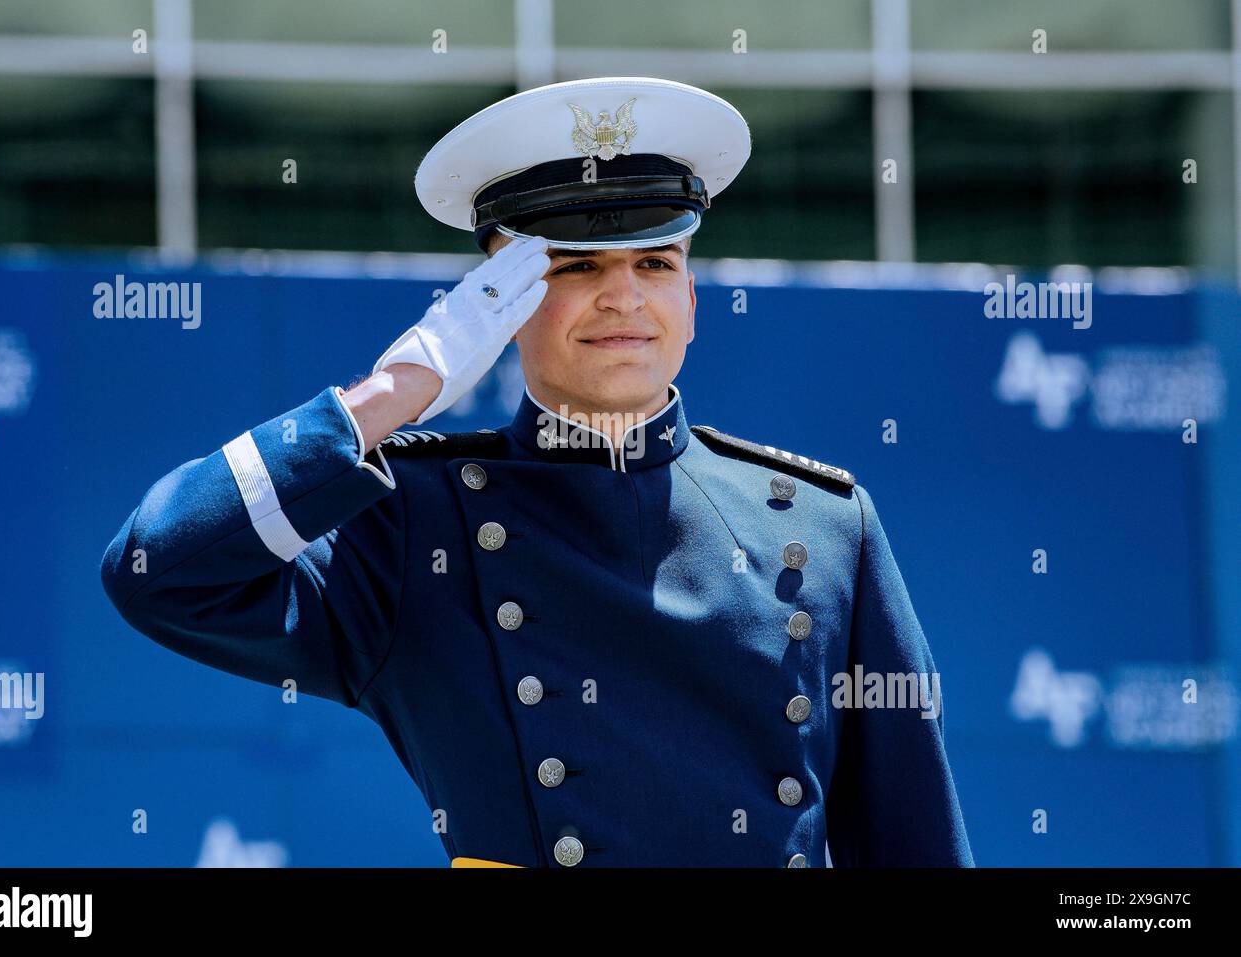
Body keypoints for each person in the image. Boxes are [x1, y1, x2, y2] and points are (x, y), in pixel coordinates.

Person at [100, 76, 973, 868]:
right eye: (577, 264)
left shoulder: (823, 525)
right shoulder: (418, 521)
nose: (624, 296)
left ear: (693, 304)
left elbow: (917, 847)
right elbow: (158, 571)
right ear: (502, 304)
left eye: (657, 263)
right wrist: (396, 391)